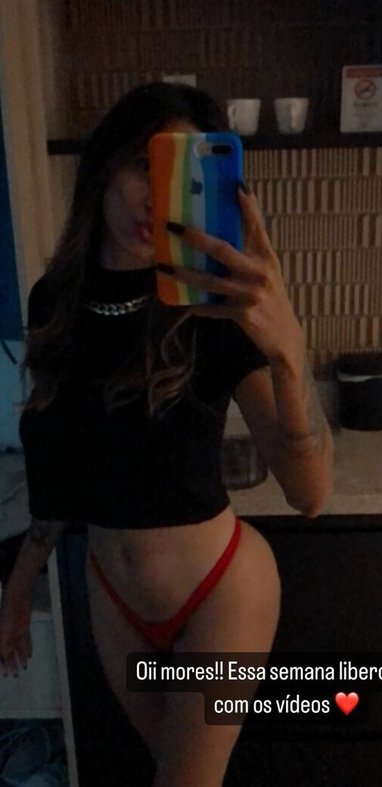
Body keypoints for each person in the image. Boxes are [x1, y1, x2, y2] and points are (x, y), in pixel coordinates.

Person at [0, 83, 333, 787]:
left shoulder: (216, 307)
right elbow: (60, 468)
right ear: (104, 167)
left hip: (219, 592)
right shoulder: (54, 299)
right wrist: (18, 590)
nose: (156, 200)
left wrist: (288, 352)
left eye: (180, 179)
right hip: (112, 597)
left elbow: (310, 493)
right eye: (141, 166)